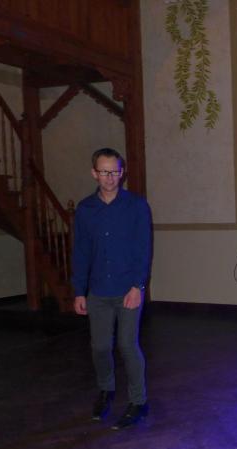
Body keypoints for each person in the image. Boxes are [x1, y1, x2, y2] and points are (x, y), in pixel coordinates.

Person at [72, 147, 152, 430]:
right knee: (100, 346)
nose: (110, 177)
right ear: (94, 173)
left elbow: (143, 249)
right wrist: (79, 290)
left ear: (122, 172)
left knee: (127, 345)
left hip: (128, 289)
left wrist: (138, 286)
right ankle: (106, 390)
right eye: (104, 172)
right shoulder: (85, 209)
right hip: (98, 291)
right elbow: (81, 252)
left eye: (114, 171)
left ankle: (138, 402)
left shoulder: (136, 206)